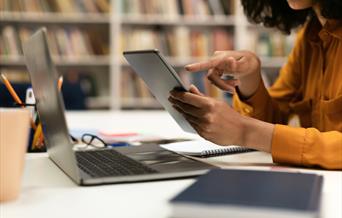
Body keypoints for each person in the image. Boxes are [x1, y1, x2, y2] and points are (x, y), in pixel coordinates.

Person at [168, 0, 342, 169]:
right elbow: (272, 123)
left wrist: (244, 131)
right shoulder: (310, 35)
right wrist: (250, 77)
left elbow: (262, 134)